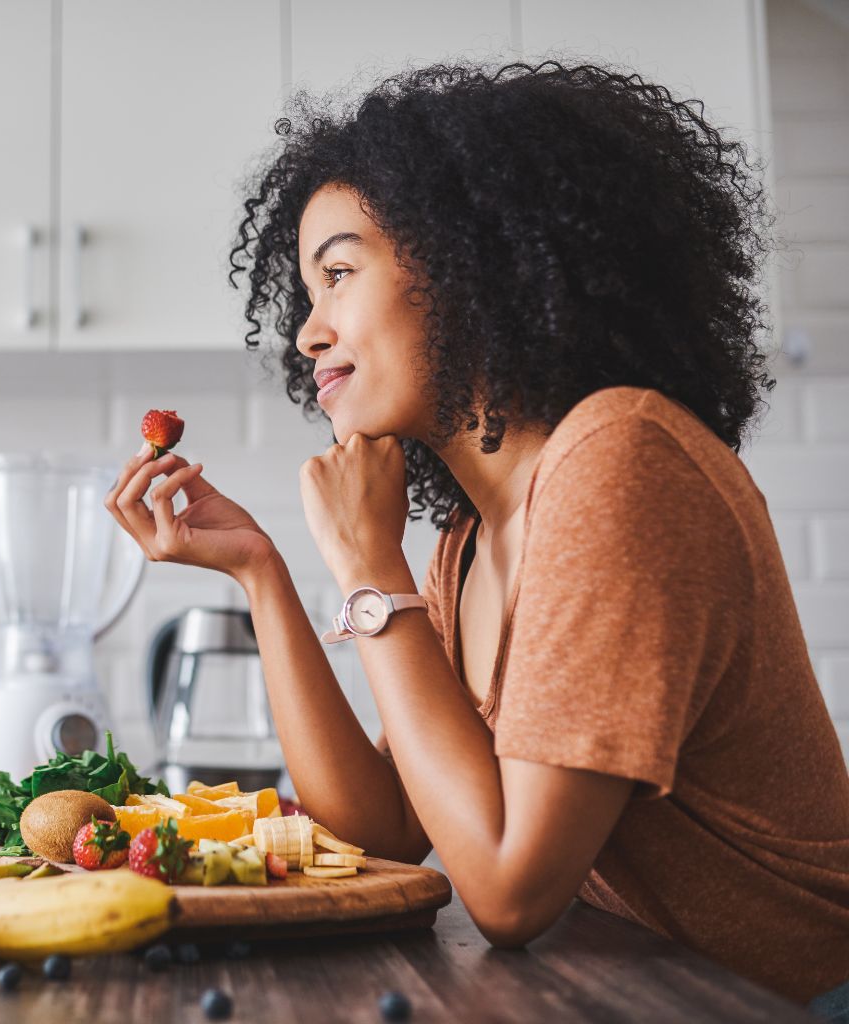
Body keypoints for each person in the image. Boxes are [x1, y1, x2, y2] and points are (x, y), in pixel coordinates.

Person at [106, 61, 849, 1016]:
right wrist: (263, 575)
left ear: (471, 262)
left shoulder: (620, 460)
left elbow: (508, 892)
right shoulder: (468, 539)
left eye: (337, 273)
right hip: (644, 990)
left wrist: (372, 570)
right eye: (304, 291)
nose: (307, 332)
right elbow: (384, 828)